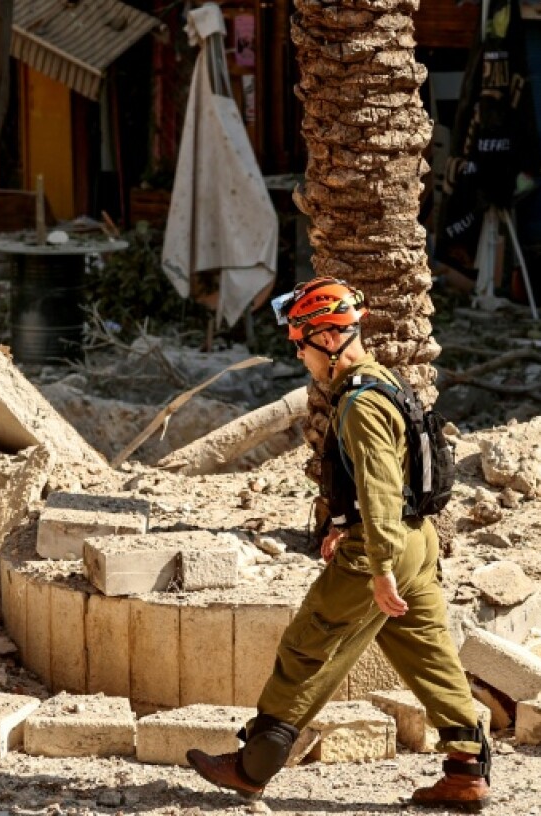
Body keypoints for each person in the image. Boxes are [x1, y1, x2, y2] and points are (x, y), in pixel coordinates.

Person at [187, 277, 491, 810]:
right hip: (417, 541)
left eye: (301, 344)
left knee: (307, 646)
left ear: (328, 341)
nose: (300, 355)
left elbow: (379, 486)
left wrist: (377, 568)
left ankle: (251, 768)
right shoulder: (385, 382)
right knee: (430, 655)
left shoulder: (359, 404)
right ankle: (466, 770)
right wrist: (340, 524)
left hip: (386, 547)